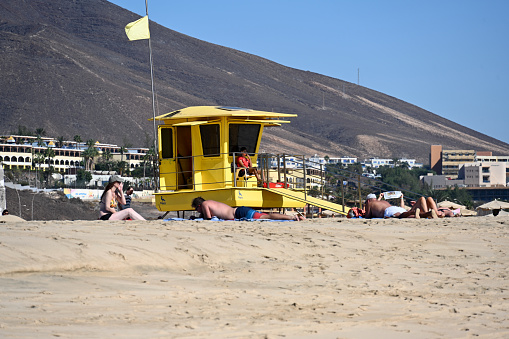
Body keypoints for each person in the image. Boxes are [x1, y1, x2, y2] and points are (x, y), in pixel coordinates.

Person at [191, 197, 305, 221]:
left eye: (197, 209)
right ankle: (293, 217)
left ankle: (293, 217)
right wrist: (197, 217)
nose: (198, 211)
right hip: (239, 212)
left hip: (239, 213)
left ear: (199, 205)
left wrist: (197, 218)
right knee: (265, 215)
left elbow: (208, 219)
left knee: (266, 216)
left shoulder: (205, 204)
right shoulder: (210, 202)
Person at [365, 193, 441, 219]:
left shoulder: (369, 203)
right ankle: (428, 213)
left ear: (368, 200)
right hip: (394, 208)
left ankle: (412, 212)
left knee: (400, 216)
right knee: (407, 215)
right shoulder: (384, 202)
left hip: (389, 211)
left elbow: (367, 216)